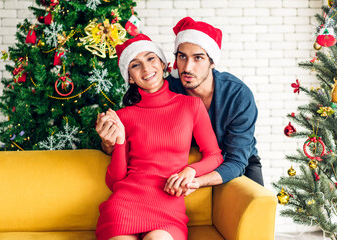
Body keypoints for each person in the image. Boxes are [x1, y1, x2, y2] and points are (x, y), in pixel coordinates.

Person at [96, 17, 263, 196]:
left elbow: (237, 161)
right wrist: (108, 143)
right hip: (187, 165)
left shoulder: (237, 95)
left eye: (198, 58)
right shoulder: (166, 87)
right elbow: (135, 129)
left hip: (235, 162)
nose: (187, 67)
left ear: (212, 62)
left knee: (258, 203)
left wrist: (195, 180)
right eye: (182, 56)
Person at [95, 34, 223, 240]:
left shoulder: (191, 106)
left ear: (163, 63)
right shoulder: (122, 117)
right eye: (135, 65)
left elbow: (215, 155)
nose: (146, 69)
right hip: (124, 206)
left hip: (168, 208)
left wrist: (191, 171)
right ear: (129, 77)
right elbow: (115, 180)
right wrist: (118, 141)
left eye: (150, 58)